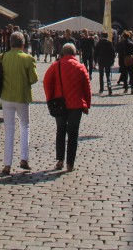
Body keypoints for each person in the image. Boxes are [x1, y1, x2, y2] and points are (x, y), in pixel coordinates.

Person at [43, 42, 91, 173]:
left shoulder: (56, 65)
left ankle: (60, 160)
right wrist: (87, 104)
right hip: (76, 105)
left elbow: (46, 82)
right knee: (73, 134)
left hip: (60, 104)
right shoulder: (81, 67)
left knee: (60, 131)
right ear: (75, 53)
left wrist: (50, 98)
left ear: (62, 53)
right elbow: (87, 87)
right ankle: (70, 163)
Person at [0, 31, 38, 176]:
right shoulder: (28, 59)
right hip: (22, 97)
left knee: (9, 130)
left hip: (6, 97)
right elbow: (33, 79)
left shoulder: (3, 57)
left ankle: (7, 164)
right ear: (23, 44)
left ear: (10, 43)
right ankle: (24, 159)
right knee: (24, 126)